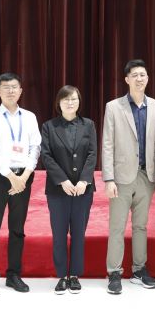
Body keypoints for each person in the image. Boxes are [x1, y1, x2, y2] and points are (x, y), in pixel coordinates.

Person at [102, 59, 155, 295]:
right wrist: (109, 179)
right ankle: (114, 272)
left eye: (143, 75)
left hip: (146, 176)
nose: (139, 79)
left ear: (148, 78)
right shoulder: (114, 107)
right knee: (117, 227)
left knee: (141, 226)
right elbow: (107, 143)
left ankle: (139, 270)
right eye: (135, 75)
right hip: (121, 177)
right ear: (127, 79)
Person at [0, 72, 41, 297]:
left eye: (14, 87)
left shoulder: (30, 117)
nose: (11, 91)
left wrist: (24, 176)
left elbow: (35, 147)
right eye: (6, 87)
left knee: (17, 229)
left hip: (24, 176)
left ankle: (14, 275)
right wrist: (11, 176)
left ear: (21, 90)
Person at [40, 85, 97, 295]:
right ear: (59, 103)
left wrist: (84, 180)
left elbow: (92, 154)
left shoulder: (88, 125)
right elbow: (46, 156)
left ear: (79, 102)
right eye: (66, 99)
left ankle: (74, 275)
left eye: (74, 99)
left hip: (83, 190)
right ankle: (61, 275)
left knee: (79, 233)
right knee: (59, 234)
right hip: (58, 190)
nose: (70, 102)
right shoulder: (49, 126)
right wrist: (62, 180)